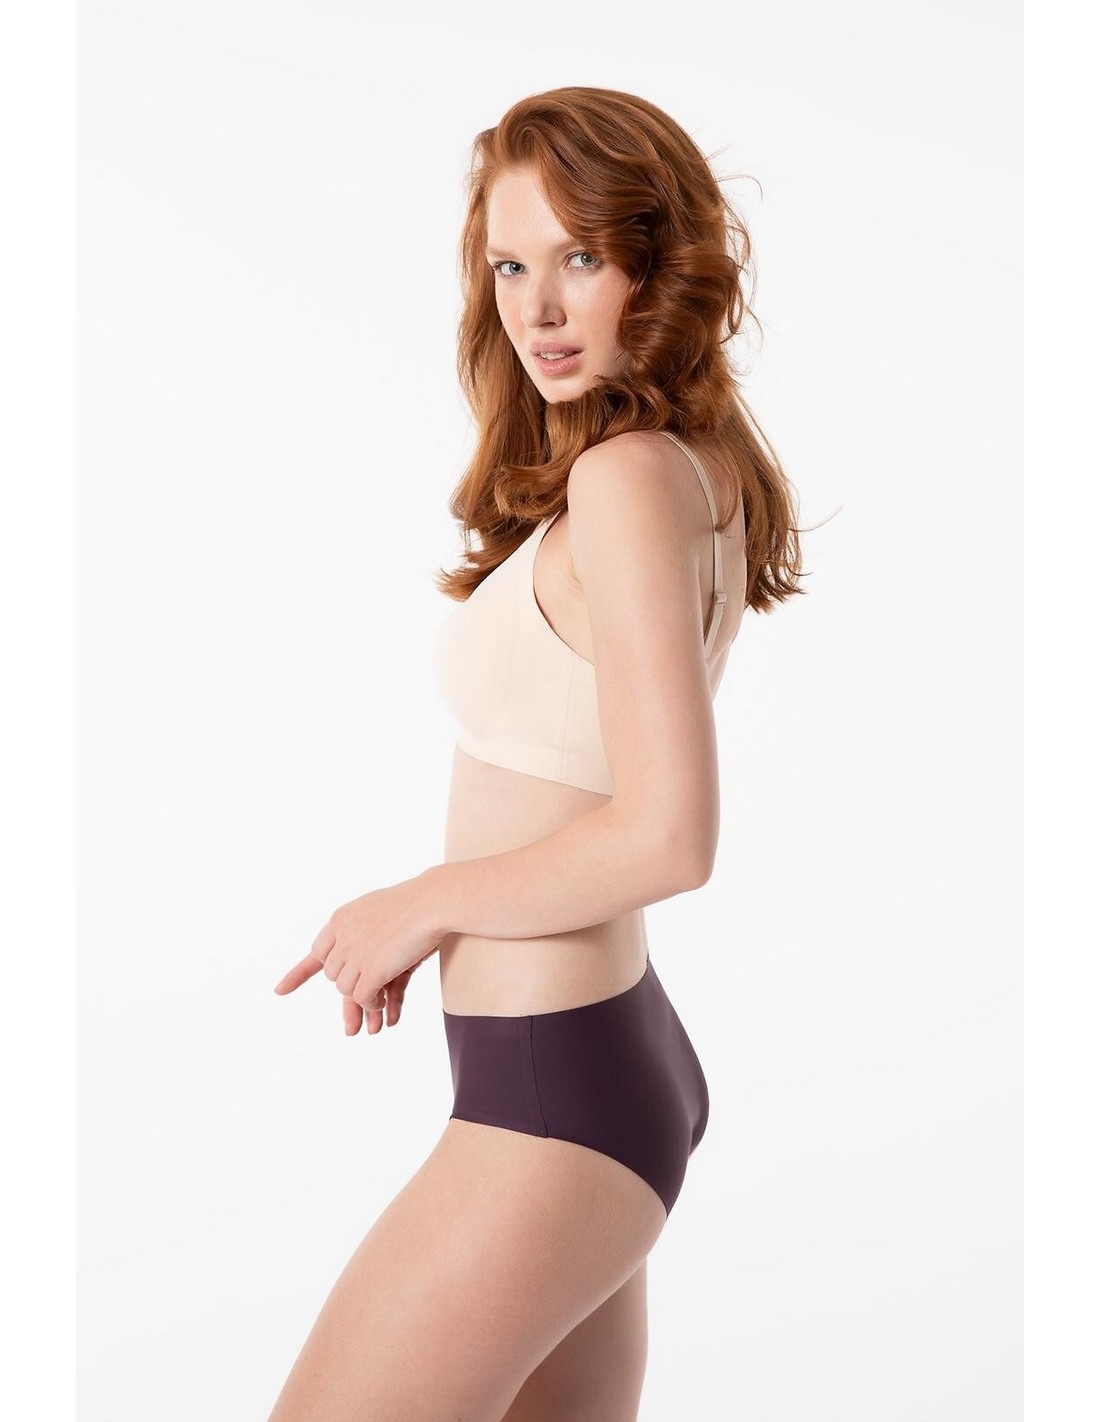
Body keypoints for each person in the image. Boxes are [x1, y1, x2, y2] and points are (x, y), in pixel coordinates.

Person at [266, 85, 803, 1422]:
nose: (540, 308)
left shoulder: (629, 479)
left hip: (550, 1104)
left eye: (581, 257)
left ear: (660, 261)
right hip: (591, 1068)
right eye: (511, 266)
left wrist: (420, 903)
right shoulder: (685, 462)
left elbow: (669, 833)